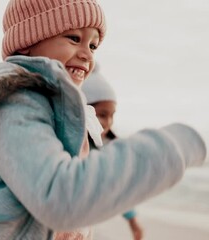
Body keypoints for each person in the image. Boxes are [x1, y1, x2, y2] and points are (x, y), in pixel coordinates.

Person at [0, 0, 206, 239]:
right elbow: (59, 196)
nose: (87, 54)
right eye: (74, 38)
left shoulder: (65, 114)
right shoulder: (14, 103)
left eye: (94, 45)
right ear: (28, 42)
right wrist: (173, 147)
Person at [82, 66, 143, 240]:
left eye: (112, 115)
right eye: (102, 115)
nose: (108, 122)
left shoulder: (107, 151)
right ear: (82, 109)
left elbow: (116, 186)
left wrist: (133, 221)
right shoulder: (65, 144)